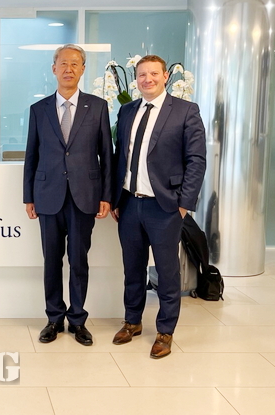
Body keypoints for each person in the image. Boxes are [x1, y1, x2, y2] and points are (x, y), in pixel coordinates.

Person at [111, 54, 206, 359]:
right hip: (129, 204)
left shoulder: (185, 111)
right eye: (142, 74)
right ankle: (133, 321)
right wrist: (115, 198)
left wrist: (184, 204)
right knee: (132, 268)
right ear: (136, 79)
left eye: (153, 73)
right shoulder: (127, 111)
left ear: (165, 77)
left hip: (165, 207)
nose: (147, 79)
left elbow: (196, 161)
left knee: (166, 271)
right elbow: (120, 157)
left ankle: (165, 330)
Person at [23, 44, 113, 346]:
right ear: (54, 69)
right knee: (52, 261)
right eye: (63, 63)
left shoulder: (97, 107)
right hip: (47, 196)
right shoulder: (39, 110)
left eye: (75, 64)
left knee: (78, 260)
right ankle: (53, 318)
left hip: (84, 196)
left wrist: (106, 195)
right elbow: (31, 155)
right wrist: (28, 196)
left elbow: (107, 155)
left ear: (83, 69)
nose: (68, 69)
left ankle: (77, 320)